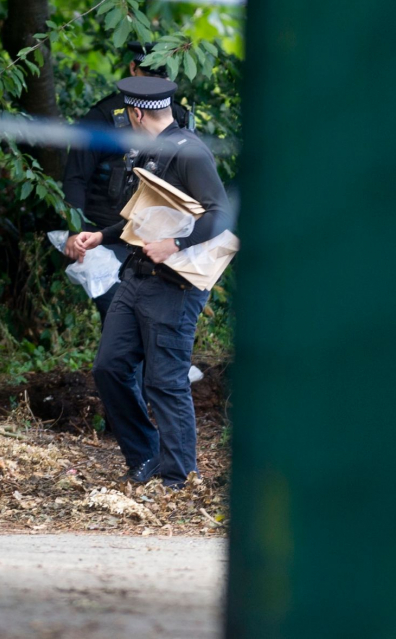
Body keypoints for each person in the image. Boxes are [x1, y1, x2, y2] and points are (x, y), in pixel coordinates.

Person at [69, 77, 230, 488]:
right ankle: (147, 457)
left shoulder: (190, 152)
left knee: (165, 380)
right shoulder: (146, 150)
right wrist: (102, 235)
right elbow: (139, 216)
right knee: (110, 367)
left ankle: (179, 476)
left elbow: (220, 214)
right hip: (136, 277)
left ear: (138, 113)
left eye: (127, 114)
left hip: (174, 286)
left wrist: (176, 243)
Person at [62, 41, 192, 323]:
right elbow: (75, 177)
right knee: (121, 318)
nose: (157, 83)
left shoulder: (180, 119)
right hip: (108, 235)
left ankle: (160, 368)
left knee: (161, 321)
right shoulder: (102, 118)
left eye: (164, 76)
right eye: (151, 75)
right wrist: (77, 231)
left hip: (161, 238)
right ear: (133, 68)